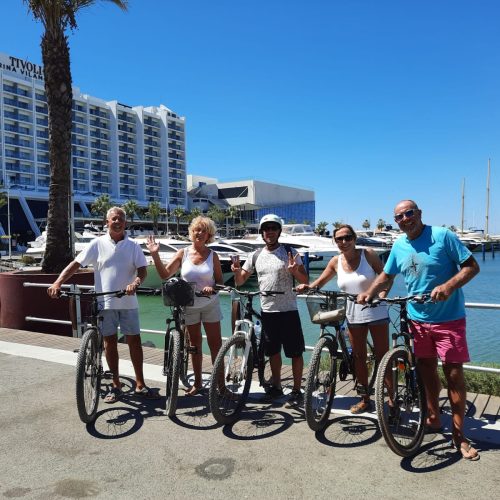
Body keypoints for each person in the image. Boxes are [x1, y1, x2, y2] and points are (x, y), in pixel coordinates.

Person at [358, 200, 480, 461]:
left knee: (454, 375)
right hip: (417, 320)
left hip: (449, 319)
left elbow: (472, 267)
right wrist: (370, 293)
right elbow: (387, 276)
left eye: (408, 213)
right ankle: (434, 417)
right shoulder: (399, 246)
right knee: (425, 370)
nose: (404, 219)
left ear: (419, 214)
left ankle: (459, 436)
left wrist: (448, 287)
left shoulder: (442, 236)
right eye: (398, 217)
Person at [48, 207, 158, 403]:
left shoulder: (133, 246)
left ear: (126, 223)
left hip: (128, 302)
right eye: (114, 219)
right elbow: (76, 263)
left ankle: (140, 383)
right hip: (105, 302)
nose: (118, 222)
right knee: (110, 343)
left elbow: (143, 271)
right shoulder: (96, 244)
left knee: (134, 342)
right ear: (106, 222)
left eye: (121, 219)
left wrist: (135, 283)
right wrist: (58, 282)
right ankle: (116, 385)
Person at [296, 224, 390, 414]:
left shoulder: (368, 254)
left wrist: (381, 295)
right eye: (339, 239)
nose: (344, 242)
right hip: (353, 314)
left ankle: (393, 400)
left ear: (354, 239)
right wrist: (307, 287)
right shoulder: (335, 261)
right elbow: (319, 282)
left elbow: (385, 277)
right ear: (335, 242)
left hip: (376, 311)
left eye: (347, 237)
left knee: (383, 357)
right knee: (358, 357)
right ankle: (365, 399)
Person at [232, 214, 309, 407]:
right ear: (262, 232)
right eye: (266, 228)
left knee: (295, 353)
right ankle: (276, 386)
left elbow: (305, 281)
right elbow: (240, 281)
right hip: (268, 312)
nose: (270, 231)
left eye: (274, 228)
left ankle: (297, 390)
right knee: (273, 352)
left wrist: (294, 271)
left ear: (279, 231)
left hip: (289, 310)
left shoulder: (291, 252)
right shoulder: (255, 255)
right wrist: (236, 272)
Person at [146, 216, 223, 396]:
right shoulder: (183, 253)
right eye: (197, 229)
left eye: (204, 231)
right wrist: (155, 254)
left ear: (209, 235)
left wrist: (212, 287)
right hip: (189, 306)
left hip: (210, 305)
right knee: (194, 345)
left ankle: (221, 386)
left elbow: (220, 282)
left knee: (216, 345)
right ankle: (198, 383)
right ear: (192, 232)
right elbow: (165, 274)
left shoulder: (213, 256)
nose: (200, 233)